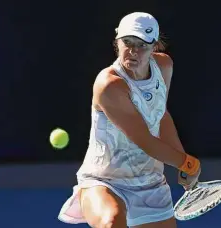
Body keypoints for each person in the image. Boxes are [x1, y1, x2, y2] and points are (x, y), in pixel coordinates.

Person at [58, 12, 201, 228]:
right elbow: (144, 140)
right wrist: (187, 163)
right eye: (127, 42)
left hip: (150, 182)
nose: (133, 51)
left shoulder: (164, 67)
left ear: (154, 46)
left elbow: (160, 115)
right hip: (104, 181)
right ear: (117, 41)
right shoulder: (110, 85)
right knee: (112, 222)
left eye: (142, 44)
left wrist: (183, 161)